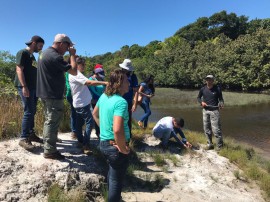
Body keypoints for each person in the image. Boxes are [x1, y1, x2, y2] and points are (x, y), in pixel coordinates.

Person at [37, 33, 77, 160]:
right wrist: (72, 55)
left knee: (49, 120)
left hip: (44, 93)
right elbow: (74, 71)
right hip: (52, 94)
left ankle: (49, 146)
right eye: (68, 46)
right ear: (61, 43)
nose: (68, 48)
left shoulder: (44, 53)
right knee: (52, 121)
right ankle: (49, 150)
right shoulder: (55, 57)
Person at [92, 69, 130, 202]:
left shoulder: (104, 96)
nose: (129, 83)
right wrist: (123, 148)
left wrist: (104, 131)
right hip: (115, 147)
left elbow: (95, 114)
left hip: (104, 144)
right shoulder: (121, 102)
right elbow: (118, 130)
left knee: (112, 175)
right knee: (116, 181)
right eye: (126, 80)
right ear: (119, 83)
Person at [68, 58, 107, 155]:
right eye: (83, 65)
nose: (84, 67)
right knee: (90, 123)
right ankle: (85, 144)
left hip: (79, 103)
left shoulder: (76, 73)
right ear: (77, 65)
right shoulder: (75, 74)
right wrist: (104, 82)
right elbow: (89, 83)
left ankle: (80, 142)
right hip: (82, 104)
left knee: (79, 123)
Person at [15, 35, 45, 151]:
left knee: (33, 110)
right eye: (40, 46)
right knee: (28, 111)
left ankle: (31, 134)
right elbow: (19, 70)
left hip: (33, 88)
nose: (41, 48)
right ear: (34, 43)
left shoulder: (32, 56)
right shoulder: (23, 53)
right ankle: (23, 138)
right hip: (25, 86)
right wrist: (24, 86)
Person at [197, 74, 224, 150]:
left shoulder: (217, 89)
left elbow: (221, 99)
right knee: (206, 129)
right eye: (207, 79)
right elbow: (198, 97)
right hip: (205, 111)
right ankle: (210, 144)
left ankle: (220, 147)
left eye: (210, 79)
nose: (208, 81)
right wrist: (201, 102)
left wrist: (221, 104)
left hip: (215, 111)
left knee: (216, 130)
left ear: (213, 80)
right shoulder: (203, 89)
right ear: (206, 80)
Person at [119, 59, 139, 138]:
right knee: (118, 119)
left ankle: (128, 138)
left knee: (127, 120)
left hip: (128, 101)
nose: (124, 70)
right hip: (118, 100)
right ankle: (119, 136)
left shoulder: (133, 77)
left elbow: (136, 91)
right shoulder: (119, 75)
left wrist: (135, 103)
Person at [88, 64, 106, 138]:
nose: (101, 77)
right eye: (100, 75)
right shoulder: (91, 79)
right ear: (96, 74)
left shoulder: (101, 79)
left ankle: (102, 131)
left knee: (103, 116)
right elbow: (94, 91)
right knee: (96, 116)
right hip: (94, 101)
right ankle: (98, 132)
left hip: (102, 100)